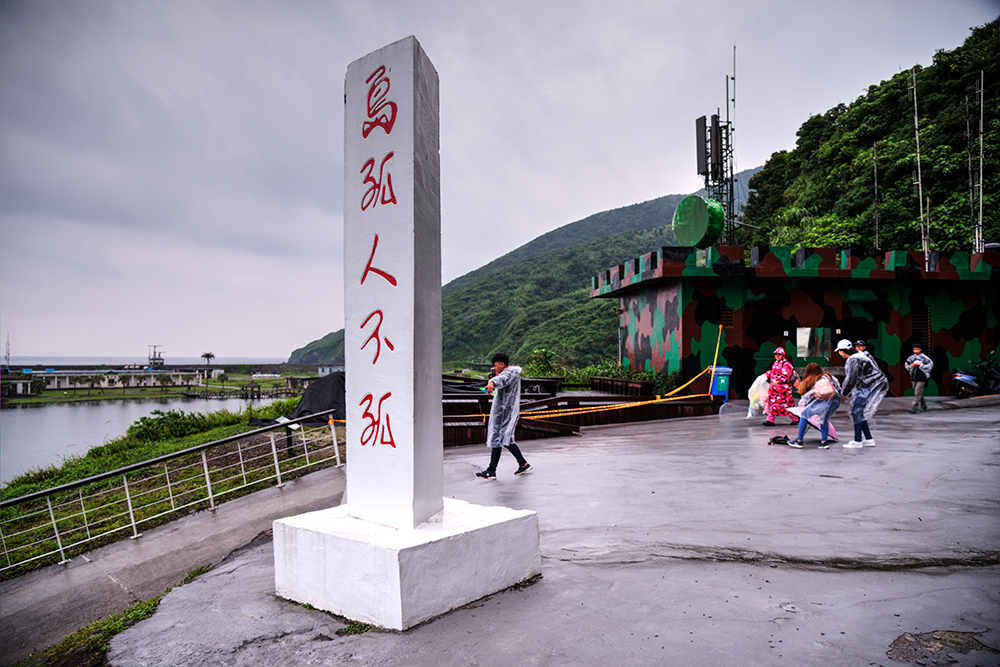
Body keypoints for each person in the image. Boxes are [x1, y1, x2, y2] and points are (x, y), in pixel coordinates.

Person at [476, 353, 532, 479]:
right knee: (505, 439)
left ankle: (491, 470)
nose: (494, 368)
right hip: (505, 411)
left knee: (499, 438)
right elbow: (500, 384)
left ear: (502, 364)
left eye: (495, 365)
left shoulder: (509, 373)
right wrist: (492, 384)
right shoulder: (510, 374)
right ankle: (523, 463)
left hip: (504, 412)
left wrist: (492, 382)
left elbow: (501, 380)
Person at [836, 339, 888, 448]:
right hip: (872, 385)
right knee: (859, 412)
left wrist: (844, 394)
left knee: (855, 411)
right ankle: (868, 439)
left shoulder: (854, 360)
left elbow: (851, 379)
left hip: (870, 386)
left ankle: (858, 441)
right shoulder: (859, 356)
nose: (839, 354)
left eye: (839, 351)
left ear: (842, 351)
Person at [789, 363, 842, 449]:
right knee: (824, 419)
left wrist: (804, 407)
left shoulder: (812, 380)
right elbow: (838, 388)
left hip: (823, 400)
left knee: (804, 415)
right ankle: (824, 442)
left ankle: (799, 441)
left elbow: (807, 396)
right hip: (835, 400)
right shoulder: (829, 376)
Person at [763, 347, 799, 426]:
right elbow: (773, 372)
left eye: (779, 354)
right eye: (776, 354)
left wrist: (778, 381)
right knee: (774, 405)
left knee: (786, 406)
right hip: (775, 391)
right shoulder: (776, 363)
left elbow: (786, 375)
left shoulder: (786, 364)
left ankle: (795, 418)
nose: (777, 356)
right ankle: (770, 420)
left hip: (784, 392)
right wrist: (766, 374)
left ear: (783, 355)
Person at [904, 343, 933, 413]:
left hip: (921, 378)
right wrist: (912, 365)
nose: (916, 351)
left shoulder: (924, 358)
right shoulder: (911, 358)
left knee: (917, 393)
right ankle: (924, 406)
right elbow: (907, 365)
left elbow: (930, 365)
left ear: (920, 350)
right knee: (918, 393)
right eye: (914, 349)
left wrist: (921, 365)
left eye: (917, 349)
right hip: (914, 378)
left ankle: (914, 408)